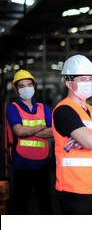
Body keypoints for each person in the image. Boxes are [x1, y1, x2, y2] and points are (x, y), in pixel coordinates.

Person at [52, 54, 92, 215]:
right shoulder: (64, 110)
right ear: (68, 83)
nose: (88, 83)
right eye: (82, 80)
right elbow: (90, 143)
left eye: (89, 79)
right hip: (72, 190)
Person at [5, 69, 53, 214]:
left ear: (34, 86)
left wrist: (29, 131)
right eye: (22, 86)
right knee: (20, 206)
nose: (26, 89)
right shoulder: (12, 108)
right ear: (16, 89)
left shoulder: (43, 108)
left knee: (46, 206)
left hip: (43, 164)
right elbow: (19, 132)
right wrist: (40, 127)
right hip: (22, 165)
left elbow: (53, 132)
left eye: (29, 85)